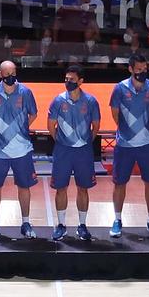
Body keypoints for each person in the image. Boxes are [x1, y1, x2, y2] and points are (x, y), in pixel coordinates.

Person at [109, 53, 149, 237]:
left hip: (147, 143)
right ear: (131, 69)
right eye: (139, 69)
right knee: (119, 183)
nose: (142, 72)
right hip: (124, 144)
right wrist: (128, 131)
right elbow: (115, 114)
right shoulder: (119, 89)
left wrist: (143, 130)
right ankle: (117, 220)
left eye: (145, 69)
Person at [0, 61, 39, 239]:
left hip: (22, 149)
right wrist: (0, 132)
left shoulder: (26, 92)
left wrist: (20, 130)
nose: (10, 76)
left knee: (24, 186)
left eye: (13, 72)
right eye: (7, 74)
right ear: (0, 74)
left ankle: (26, 223)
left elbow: (33, 114)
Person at [48, 65, 102, 241]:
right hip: (63, 150)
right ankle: (61, 225)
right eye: (66, 79)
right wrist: (62, 141)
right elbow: (51, 125)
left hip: (83, 151)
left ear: (81, 81)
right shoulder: (57, 101)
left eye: (71, 80)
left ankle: (82, 225)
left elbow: (96, 126)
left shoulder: (91, 101)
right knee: (60, 188)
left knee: (83, 188)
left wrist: (85, 141)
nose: (67, 82)